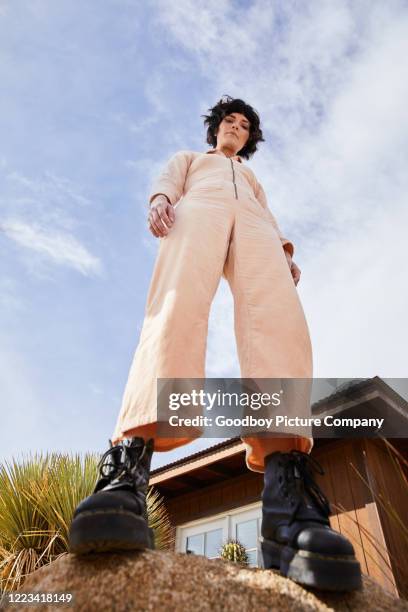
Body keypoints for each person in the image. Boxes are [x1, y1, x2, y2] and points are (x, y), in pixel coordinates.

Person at [68, 96, 362, 591]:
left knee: (280, 321)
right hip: (197, 209)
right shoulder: (191, 160)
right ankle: (127, 471)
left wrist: (284, 251)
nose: (237, 128)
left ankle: (287, 503)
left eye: (246, 125)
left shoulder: (250, 178)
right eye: (231, 120)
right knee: (176, 305)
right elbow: (167, 182)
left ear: (249, 138)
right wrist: (161, 200)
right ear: (216, 128)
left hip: (254, 227)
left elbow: (268, 216)